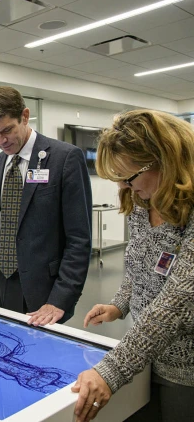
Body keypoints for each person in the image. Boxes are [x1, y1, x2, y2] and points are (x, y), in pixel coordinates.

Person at [72, 109, 194, 422]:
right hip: (146, 358)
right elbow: (139, 268)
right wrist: (120, 304)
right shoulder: (144, 202)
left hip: (186, 373)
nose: (124, 188)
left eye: (129, 177)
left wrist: (111, 371)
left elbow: (176, 305)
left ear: (163, 160)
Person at [0, 86, 92, 326]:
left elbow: (79, 240)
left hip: (41, 290)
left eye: (7, 130)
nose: (1, 141)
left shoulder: (65, 159)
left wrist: (60, 300)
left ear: (25, 116)